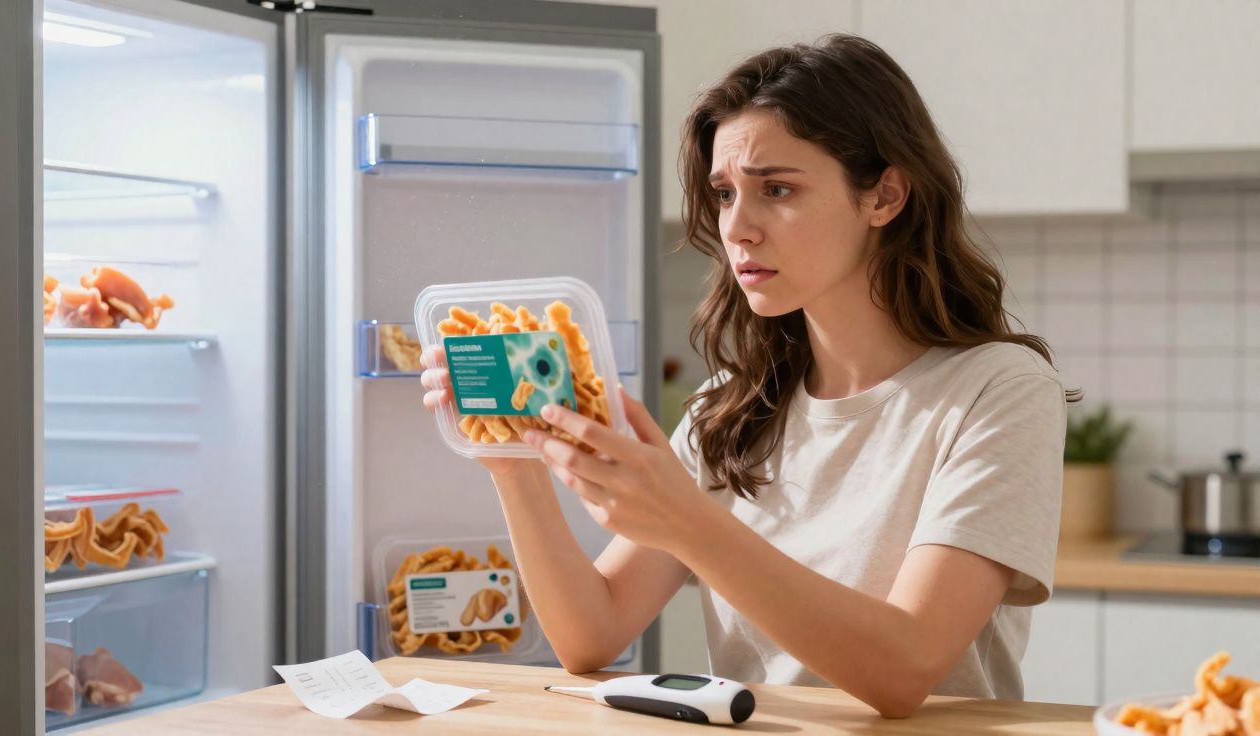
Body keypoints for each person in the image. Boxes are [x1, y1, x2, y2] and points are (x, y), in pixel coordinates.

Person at [421, 34, 1074, 718]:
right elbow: (592, 633)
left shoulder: (998, 391)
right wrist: (512, 460)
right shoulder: (728, 408)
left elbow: (904, 669)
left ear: (884, 195)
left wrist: (690, 523)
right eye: (726, 193)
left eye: (778, 190)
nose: (738, 227)